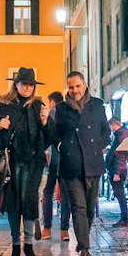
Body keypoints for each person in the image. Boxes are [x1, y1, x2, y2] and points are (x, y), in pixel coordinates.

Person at [0, 68, 54, 256]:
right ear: (16, 84)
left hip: (33, 161)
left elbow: (50, 135)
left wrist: (45, 121)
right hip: (11, 160)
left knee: (30, 201)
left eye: (30, 84)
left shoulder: (38, 106)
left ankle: (29, 245)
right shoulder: (3, 103)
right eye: (24, 83)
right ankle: (16, 244)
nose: (27, 87)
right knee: (13, 202)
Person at [54, 70, 110, 256]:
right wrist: (63, 145)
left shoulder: (97, 105)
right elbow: (55, 134)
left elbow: (106, 131)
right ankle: (84, 250)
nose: (74, 90)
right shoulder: (61, 109)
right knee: (78, 207)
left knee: (89, 209)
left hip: (93, 162)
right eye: (71, 87)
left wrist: (96, 146)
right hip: (71, 163)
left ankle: (83, 243)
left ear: (84, 85)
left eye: (77, 86)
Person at [41, 91, 70, 239]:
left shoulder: (50, 113)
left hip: (51, 159)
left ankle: (47, 228)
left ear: (51, 101)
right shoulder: (67, 112)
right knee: (66, 194)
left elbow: (46, 136)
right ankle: (64, 229)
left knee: (47, 192)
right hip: (65, 157)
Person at [105, 119, 128, 225]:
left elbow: (121, 154)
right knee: (120, 194)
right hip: (118, 167)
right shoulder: (125, 133)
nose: (111, 129)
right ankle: (124, 218)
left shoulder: (121, 134)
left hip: (117, 168)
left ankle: (125, 218)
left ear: (114, 125)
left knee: (120, 194)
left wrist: (117, 172)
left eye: (111, 126)